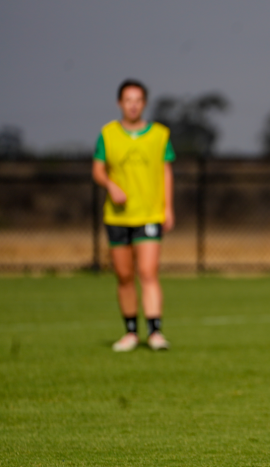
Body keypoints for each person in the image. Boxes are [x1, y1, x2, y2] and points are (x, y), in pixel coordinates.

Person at [92, 79, 175, 352]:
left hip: (149, 213)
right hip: (117, 217)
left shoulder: (160, 134)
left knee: (148, 272)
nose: (133, 105)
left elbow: (166, 172)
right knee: (124, 276)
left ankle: (155, 331)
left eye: (138, 100)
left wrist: (168, 207)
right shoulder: (108, 134)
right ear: (120, 103)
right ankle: (130, 332)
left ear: (144, 103)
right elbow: (98, 170)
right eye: (128, 100)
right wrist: (110, 185)